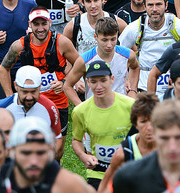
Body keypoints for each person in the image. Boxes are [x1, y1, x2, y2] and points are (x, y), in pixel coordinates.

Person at [0, 8, 81, 144]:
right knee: (29, 144)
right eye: (36, 24)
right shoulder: (20, 45)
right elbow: (3, 68)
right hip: (30, 101)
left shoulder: (62, 42)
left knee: (57, 150)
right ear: (30, 25)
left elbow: (79, 64)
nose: (40, 28)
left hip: (57, 102)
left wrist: (65, 82)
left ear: (50, 23)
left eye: (44, 23)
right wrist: (10, 97)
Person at [0, 117, 91, 193]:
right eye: (26, 153)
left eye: (40, 153)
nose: (33, 161)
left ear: (51, 151)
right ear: (11, 151)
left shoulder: (70, 186)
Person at [71, 60, 134, 190]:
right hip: (98, 171)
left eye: (103, 80)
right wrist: (84, 156)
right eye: (93, 82)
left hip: (127, 168)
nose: (98, 86)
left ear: (112, 79)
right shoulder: (80, 111)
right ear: (87, 82)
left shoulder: (131, 105)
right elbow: (76, 140)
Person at [118, 0, 180, 94]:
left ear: (166, 5)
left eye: (158, 4)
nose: (154, 9)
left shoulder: (178, 26)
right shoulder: (135, 27)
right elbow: (118, 53)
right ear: (145, 6)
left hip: (173, 87)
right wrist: (126, 79)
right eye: (150, 5)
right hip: (144, 86)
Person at [0, 65, 63, 156]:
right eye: (24, 92)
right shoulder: (1, 106)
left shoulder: (50, 108)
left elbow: (57, 138)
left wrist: (46, 158)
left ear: (40, 86)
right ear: (16, 86)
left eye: (33, 92)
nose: (29, 97)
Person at [66, 17, 139, 105]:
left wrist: (133, 90)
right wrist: (81, 108)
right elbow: (67, 86)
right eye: (104, 40)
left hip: (121, 107)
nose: (109, 45)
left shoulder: (127, 54)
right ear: (95, 37)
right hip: (95, 109)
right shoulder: (84, 60)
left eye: (113, 39)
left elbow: (135, 67)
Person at [96, 93, 158, 193]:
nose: (149, 127)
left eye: (153, 121)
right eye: (143, 122)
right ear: (135, 124)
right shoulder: (124, 153)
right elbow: (104, 188)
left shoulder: (169, 148)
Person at [63, 0, 127, 57]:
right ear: (82, 3)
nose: (93, 6)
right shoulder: (73, 25)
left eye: (96, 0)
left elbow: (132, 49)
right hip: (83, 67)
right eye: (88, 1)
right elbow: (65, 54)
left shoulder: (117, 22)